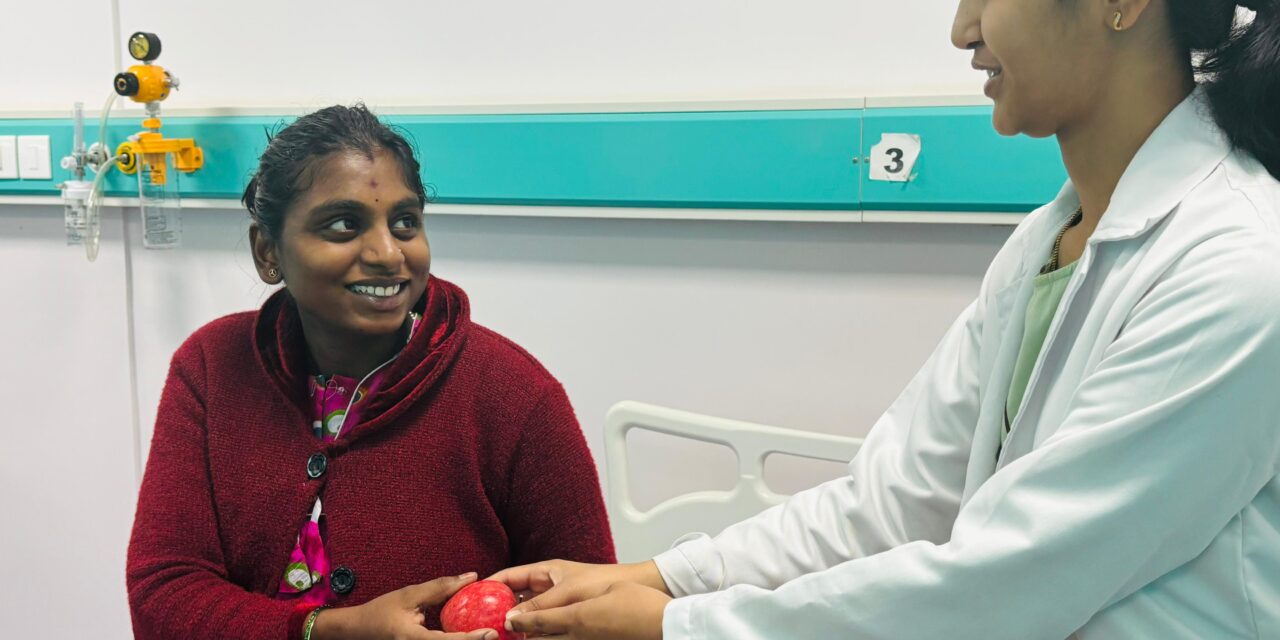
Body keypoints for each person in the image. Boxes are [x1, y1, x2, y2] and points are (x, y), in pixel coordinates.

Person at [493, 0, 1280, 638]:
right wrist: (653, 577)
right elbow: (895, 501)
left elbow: (1015, 574)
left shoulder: (1239, 266)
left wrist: (679, 625)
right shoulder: (1046, 244)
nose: (962, 28)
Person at [126, 105, 615, 640]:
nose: (388, 253)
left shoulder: (512, 395)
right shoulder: (212, 368)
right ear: (268, 252)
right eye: (343, 224)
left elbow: (592, 608)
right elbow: (163, 592)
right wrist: (333, 630)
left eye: (405, 222)